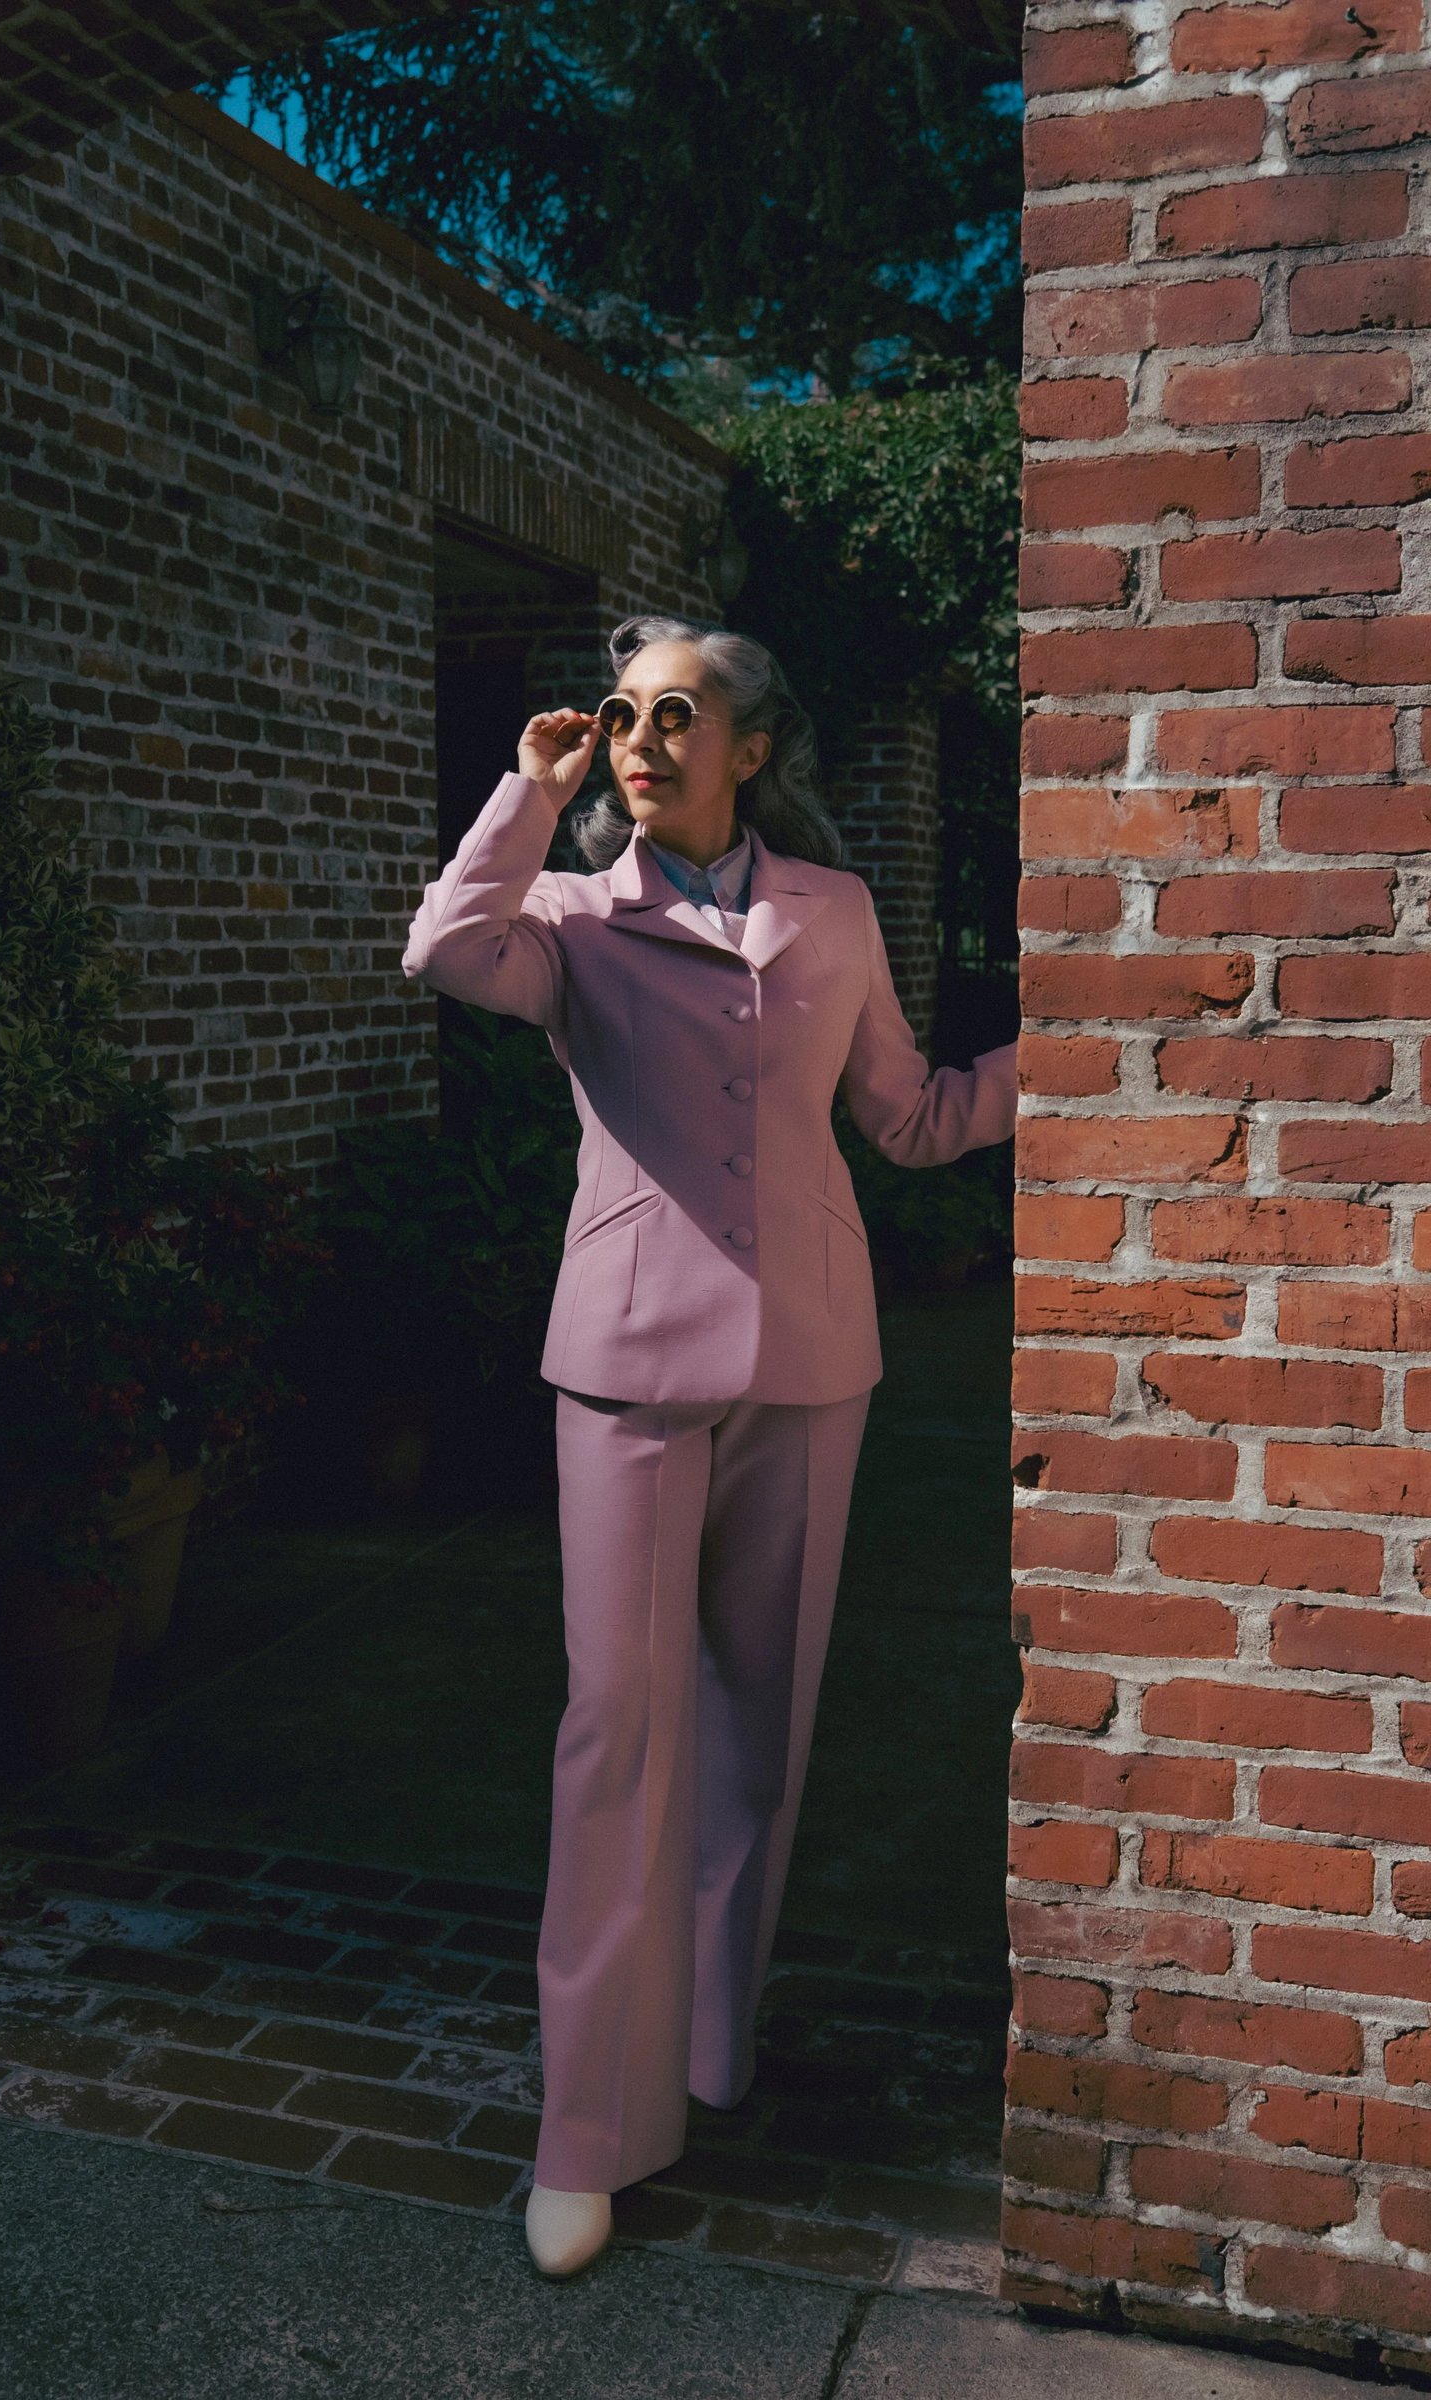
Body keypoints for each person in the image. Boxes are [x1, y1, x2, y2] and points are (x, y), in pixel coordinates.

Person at [402, 614, 1017, 2278]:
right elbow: (445, 951)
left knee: (763, 1721)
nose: (640, 738)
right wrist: (525, 797)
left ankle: (707, 2047)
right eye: (621, 715)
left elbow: (908, 1116)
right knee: (620, 1728)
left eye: (678, 715)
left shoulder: (835, 914)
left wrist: (1086, 1052)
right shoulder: (572, 920)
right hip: (627, 1369)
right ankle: (587, 2129)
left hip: (816, 1358)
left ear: (753, 746)